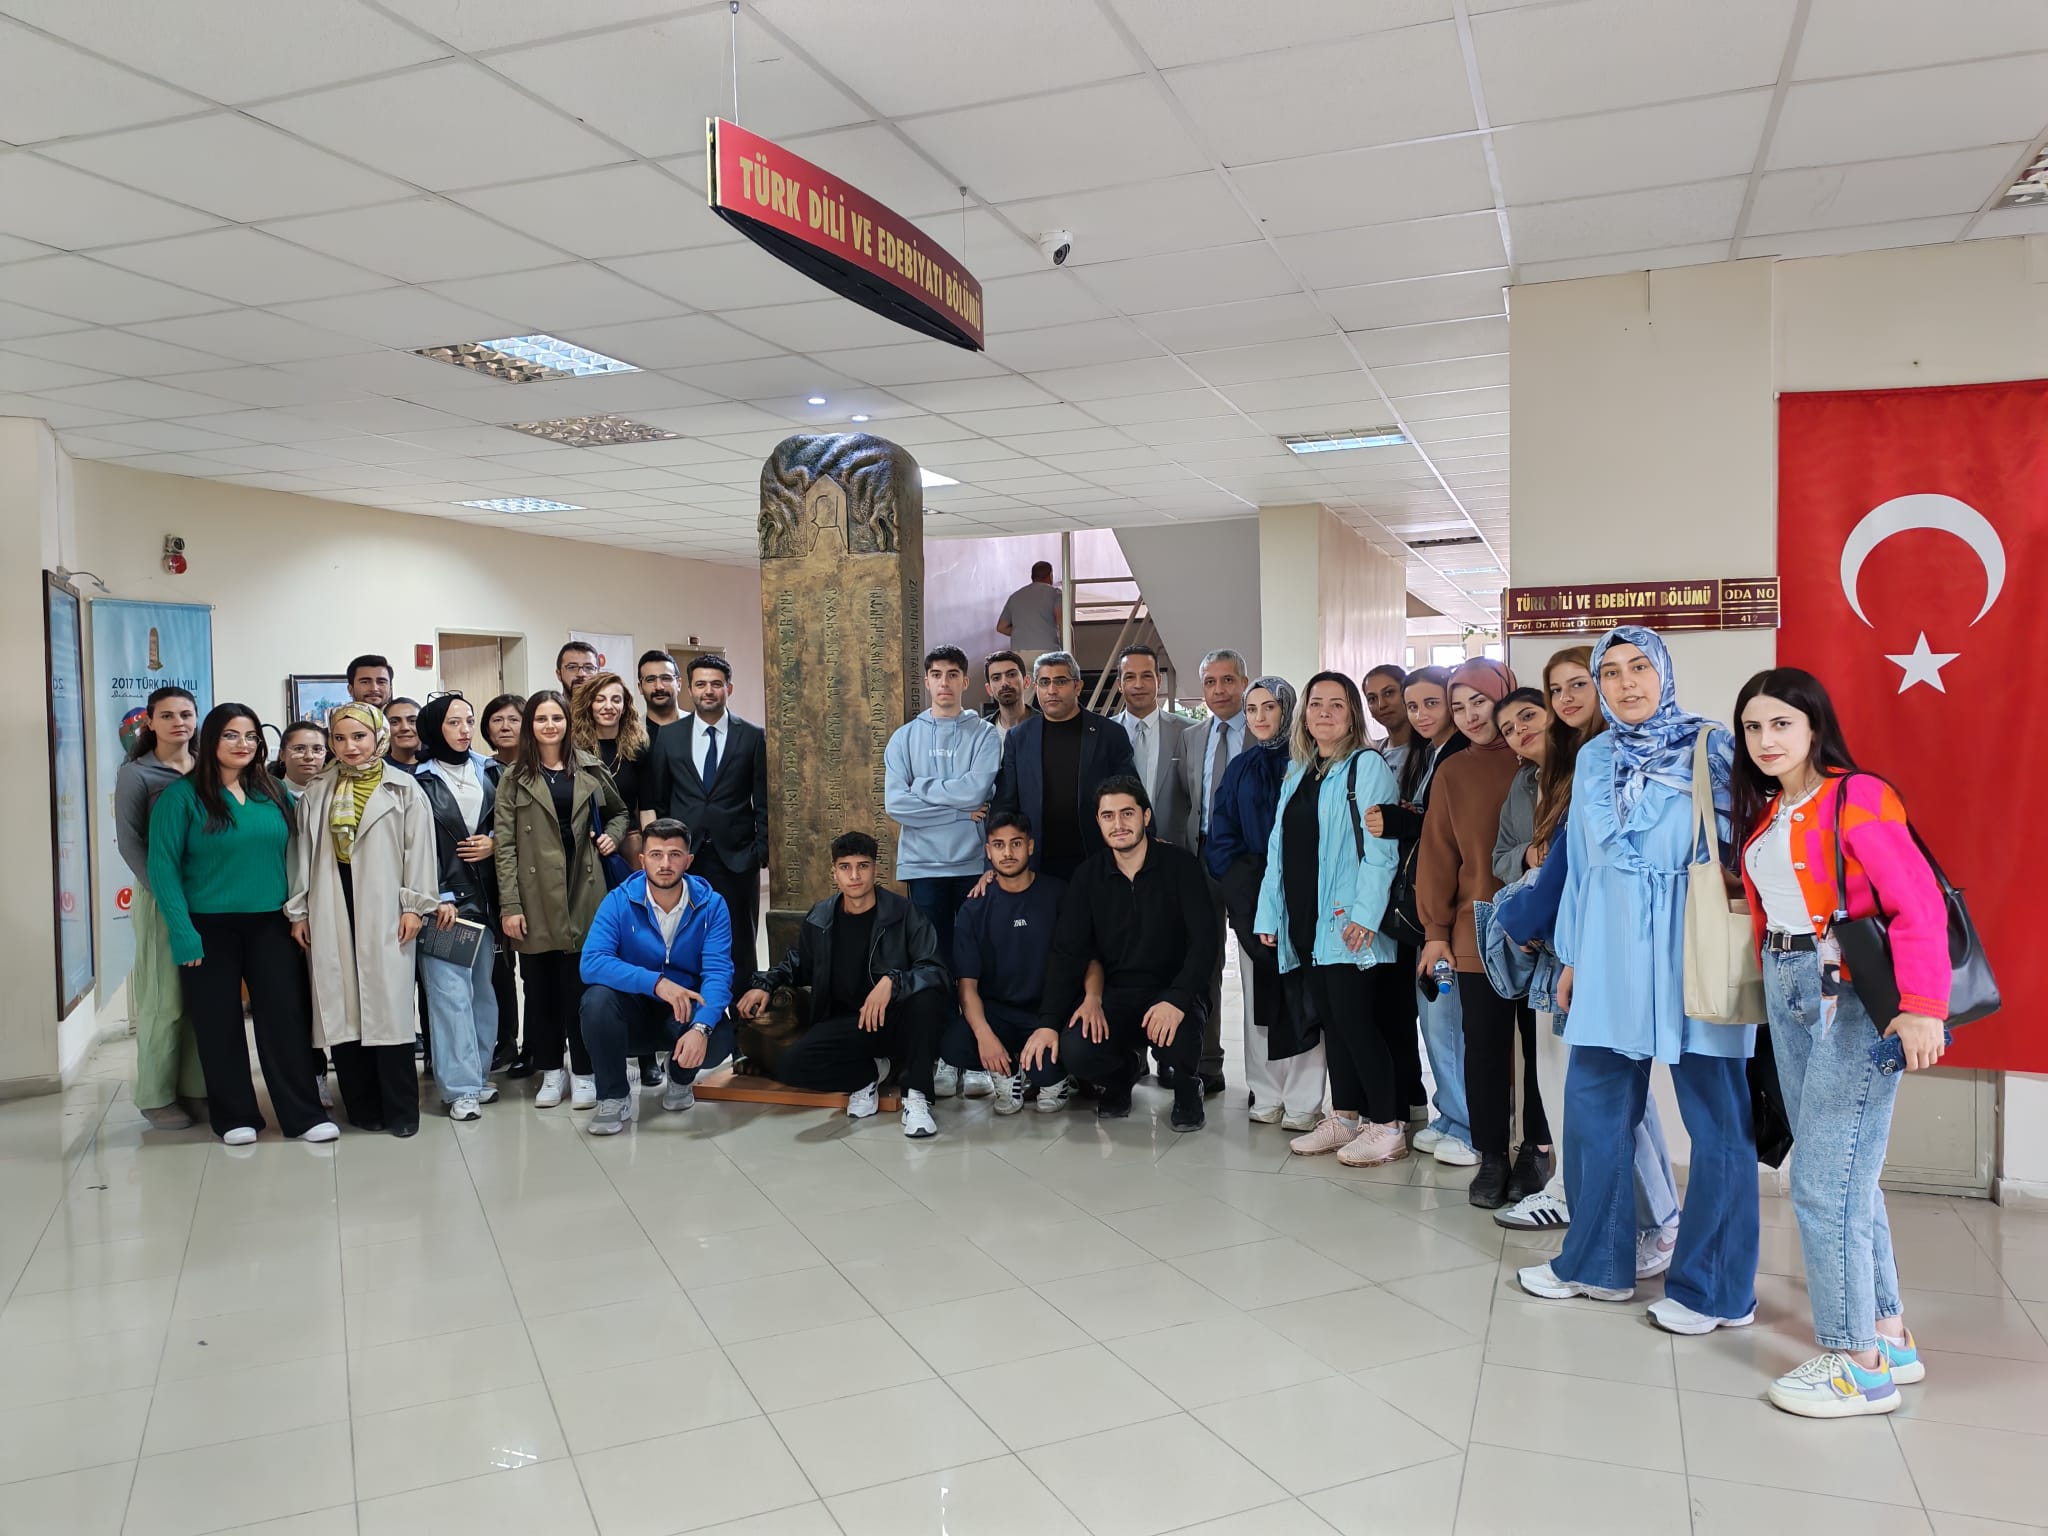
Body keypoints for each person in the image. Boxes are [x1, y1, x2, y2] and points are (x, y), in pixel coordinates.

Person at [1518, 626, 1760, 1339]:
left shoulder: (1713, 747)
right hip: (1610, 951)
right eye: (1612, 672)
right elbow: (1581, 868)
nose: (1627, 684)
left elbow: (1745, 854)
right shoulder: (1593, 757)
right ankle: (1595, 1263)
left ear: (1663, 673)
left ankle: (1716, 1291)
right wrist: (1571, 957)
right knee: (1592, 1108)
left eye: (1639, 668)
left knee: (1717, 1122)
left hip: (1693, 951)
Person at [1734, 668, 1946, 1417]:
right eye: (1753, 727)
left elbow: (1917, 902)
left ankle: (1857, 1365)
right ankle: (1888, 1334)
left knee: (1825, 1183)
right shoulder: (1772, 810)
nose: (1765, 740)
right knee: (1845, 1174)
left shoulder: (1858, 796)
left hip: (1851, 998)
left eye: (1781, 724)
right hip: (1790, 986)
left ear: (1814, 726)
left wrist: (1921, 1006)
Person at [1491, 651, 1682, 1272]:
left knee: (1608, 1098)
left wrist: (1524, 918)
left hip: (1602, 947)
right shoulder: (1571, 761)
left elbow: (1574, 865)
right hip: (1570, 946)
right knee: (1592, 1093)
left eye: (1580, 684)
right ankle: (1619, 1216)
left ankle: (1652, 1223)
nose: (1568, 698)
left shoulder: (1612, 759)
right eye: (1557, 689)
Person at [147, 703, 334, 1146]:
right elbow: (162, 868)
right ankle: (234, 1116)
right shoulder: (180, 797)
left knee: (284, 1020)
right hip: (207, 927)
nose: (243, 744)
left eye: (250, 736)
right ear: (210, 739)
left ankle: (303, 1115)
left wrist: (301, 912)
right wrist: (183, 933)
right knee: (218, 1023)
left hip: (272, 923)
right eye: (231, 735)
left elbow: (303, 848)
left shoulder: (273, 790)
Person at [1256, 673, 1405, 1164]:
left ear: (1352, 714)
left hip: (1348, 924)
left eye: (1336, 704)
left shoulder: (1366, 766)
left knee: (1358, 1023)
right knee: (1332, 1025)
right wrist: (1269, 914)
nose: (1324, 712)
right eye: (1316, 703)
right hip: (1307, 922)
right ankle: (1346, 1117)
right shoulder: (1300, 771)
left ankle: (1387, 1125)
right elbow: (1278, 850)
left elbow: (1382, 851)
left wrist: (1366, 915)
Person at [1419, 659, 1549, 1208]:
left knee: (1542, 1051)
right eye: (1458, 706)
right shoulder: (1452, 771)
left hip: (1546, 931)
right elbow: (1438, 853)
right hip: (1478, 931)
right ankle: (1491, 1152)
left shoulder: (1544, 762)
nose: (1471, 715)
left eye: (1480, 701)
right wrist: (1435, 931)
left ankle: (1536, 1150)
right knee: (1485, 1047)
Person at [1022, 776, 1218, 1131]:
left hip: (1173, 992)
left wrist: (1177, 999)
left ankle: (1188, 1085)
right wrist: (1049, 1022)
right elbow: (1067, 953)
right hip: (1114, 995)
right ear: (1098, 822)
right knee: (1076, 1048)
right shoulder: (1088, 877)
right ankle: (1120, 1076)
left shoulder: (1181, 866)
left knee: (1178, 1039)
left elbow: (1205, 942)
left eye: (1127, 813)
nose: (1118, 824)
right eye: (1108, 816)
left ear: (1146, 816)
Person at [286, 703, 437, 1137]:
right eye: (340, 738)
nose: (350, 746)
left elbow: (419, 851)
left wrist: (414, 906)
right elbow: (300, 854)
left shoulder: (404, 789)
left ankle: (402, 1111)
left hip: (386, 904)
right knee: (343, 1006)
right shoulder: (318, 790)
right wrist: (299, 910)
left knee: (388, 1006)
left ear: (378, 737)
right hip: (331, 900)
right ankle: (362, 1106)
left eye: (359, 737)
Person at [735, 831, 947, 1139]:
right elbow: (800, 964)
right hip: (849, 1023)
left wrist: (893, 981)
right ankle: (872, 1073)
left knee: (925, 999)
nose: (854, 875)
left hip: (898, 1021)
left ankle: (916, 1096)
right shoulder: (821, 917)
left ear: (875, 870)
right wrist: (765, 984)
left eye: (863, 866)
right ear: (834, 873)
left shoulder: (904, 914)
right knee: (791, 1066)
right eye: (845, 867)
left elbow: (935, 969)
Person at [495, 689, 629, 1111]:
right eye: (541, 719)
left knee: (581, 988)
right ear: (530, 726)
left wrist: (612, 837)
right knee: (539, 992)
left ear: (568, 723)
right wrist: (510, 906)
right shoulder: (513, 777)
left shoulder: (589, 767)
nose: (550, 726)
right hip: (534, 896)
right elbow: (504, 847)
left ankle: (584, 1072)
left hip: (584, 890)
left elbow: (620, 812)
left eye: (557, 718)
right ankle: (552, 1071)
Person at [1365, 667, 1471, 1166]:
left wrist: (1400, 819)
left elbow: (1448, 830)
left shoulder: (1460, 754)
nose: (1421, 714)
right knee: (1434, 1018)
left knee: (1449, 1022)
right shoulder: (1433, 752)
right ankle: (1450, 1114)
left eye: (1432, 703)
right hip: (1429, 910)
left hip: (1452, 912)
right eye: (1414, 706)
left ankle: (1469, 1125)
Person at [1208, 676, 1323, 1130]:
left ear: (1288, 710)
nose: (1259, 717)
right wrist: (1244, 888)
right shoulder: (1241, 767)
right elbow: (1221, 832)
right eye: (1251, 709)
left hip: (1306, 897)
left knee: (1303, 997)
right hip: (1251, 899)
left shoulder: (1312, 763)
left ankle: (1304, 1099)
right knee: (1258, 996)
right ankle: (1267, 1090)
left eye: (1269, 707)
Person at [579, 819, 736, 1135]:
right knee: (596, 1001)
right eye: (656, 855)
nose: (665, 864)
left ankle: (680, 1077)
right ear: (642, 860)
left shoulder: (712, 905)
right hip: (632, 1011)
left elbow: (718, 973)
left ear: (688, 860)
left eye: (675, 854)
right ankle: (613, 1096)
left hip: (682, 1011)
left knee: (719, 1035)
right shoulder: (618, 900)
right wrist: (656, 983)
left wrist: (701, 1028)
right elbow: (592, 963)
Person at [640, 654, 768, 985]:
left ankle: (742, 1014)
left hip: (737, 858)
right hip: (685, 857)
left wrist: (760, 851)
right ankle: (694, 1012)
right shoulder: (669, 737)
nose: (708, 691)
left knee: (740, 946)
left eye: (715, 684)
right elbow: (659, 800)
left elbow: (763, 800)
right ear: (689, 689)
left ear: (729, 688)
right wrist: (666, 853)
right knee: (685, 943)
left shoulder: (752, 736)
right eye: (700, 684)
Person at [114, 686, 206, 1129]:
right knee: (163, 1000)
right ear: (149, 722)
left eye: (186, 714)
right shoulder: (137, 774)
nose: (178, 723)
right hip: (160, 899)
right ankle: (155, 1095)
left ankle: (195, 1088)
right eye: (167, 715)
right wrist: (165, 894)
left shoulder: (206, 767)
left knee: (199, 998)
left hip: (207, 895)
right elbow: (130, 842)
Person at [941, 813, 1075, 1114]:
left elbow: (1080, 959)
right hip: (999, 1012)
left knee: (1049, 1071)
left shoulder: (1058, 893)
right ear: (988, 851)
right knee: (954, 1045)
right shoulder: (975, 906)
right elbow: (967, 986)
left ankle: (1054, 1078)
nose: (1008, 853)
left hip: (1048, 1011)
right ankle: (1008, 1072)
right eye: (999, 845)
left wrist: (1051, 1022)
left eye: (1016, 843)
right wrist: (985, 1036)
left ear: (1030, 846)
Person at [413, 695, 505, 1122]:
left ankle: (478, 1075)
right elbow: (415, 846)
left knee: (482, 994)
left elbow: (511, 827)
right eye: (454, 722)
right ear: (435, 728)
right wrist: (437, 895)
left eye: (469, 720)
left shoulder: (492, 771)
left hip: (487, 900)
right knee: (449, 995)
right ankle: (460, 1088)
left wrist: (495, 843)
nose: (465, 729)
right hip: (447, 905)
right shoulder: (419, 781)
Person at [885, 645, 1002, 970]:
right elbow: (896, 803)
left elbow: (975, 792)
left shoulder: (985, 735)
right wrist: (959, 813)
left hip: (971, 863)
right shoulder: (903, 738)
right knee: (931, 957)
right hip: (922, 865)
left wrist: (921, 786)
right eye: (936, 675)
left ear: (965, 681)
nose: (944, 682)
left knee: (974, 953)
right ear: (927, 682)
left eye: (952, 675)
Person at [1174, 647, 1253, 1095]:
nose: (1219, 690)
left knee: (1256, 966)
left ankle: (1266, 1075)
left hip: (1250, 863)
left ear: (1244, 683)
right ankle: (1207, 1063)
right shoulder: (1192, 737)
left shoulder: (1264, 732)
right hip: (1202, 858)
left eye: (1227, 680)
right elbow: (1188, 799)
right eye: (1210, 682)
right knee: (1204, 961)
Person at [988, 651, 1136, 882]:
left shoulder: (1109, 734)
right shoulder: (1019, 738)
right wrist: (994, 861)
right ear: (1035, 687)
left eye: (1060, 681)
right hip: (1038, 863)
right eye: (1044, 682)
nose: (1051, 690)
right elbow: (1006, 803)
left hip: (1097, 857)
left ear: (1078, 686)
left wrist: (1146, 840)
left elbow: (1132, 793)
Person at [479, 691, 528, 1073]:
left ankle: (540, 1042)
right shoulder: (479, 770)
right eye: (497, 720)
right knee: (499, 966)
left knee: (534, 968)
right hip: (491, 881)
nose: (506, 726)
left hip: (534, 877)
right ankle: (505, 1040)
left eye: (514, 719)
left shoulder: (538, 768)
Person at [1111, 644, 1192, 849]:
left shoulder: (1189, 732)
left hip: (1175, 849)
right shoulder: (1104, 734)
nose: (1138, 685)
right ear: (1119, 684)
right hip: (1118, 850)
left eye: (1146, 676)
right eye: (1130, 677)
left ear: (1159, 680)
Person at [995, 559, 1061, 670]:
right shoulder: (1055, 593)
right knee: (1047, 680)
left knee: (1026, 680)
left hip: (1020, 654)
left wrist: (1022, 632)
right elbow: (1061, 622)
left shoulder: (1015, 596)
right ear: (1050, 575)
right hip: (1047, 651)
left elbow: (1001, 627)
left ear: (1032, 576)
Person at [1364, 663, 1413, 765]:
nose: (1381, 705)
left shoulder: (1431, 751)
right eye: (1372, 698)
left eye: (1388, 693)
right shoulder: (1369, 755)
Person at [982, 650, 1033, 742]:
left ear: (1026, 682)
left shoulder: (1045, 725)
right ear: (989, 689)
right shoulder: (980, 731)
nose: (1004, 683)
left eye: (1011, 675)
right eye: (996, 678)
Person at [637, 649, 682, 735]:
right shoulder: (630, 734)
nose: (659, 687)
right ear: (640, 687)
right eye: (650, 680)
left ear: (679, 684)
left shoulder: (697, 726)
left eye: (666, 678)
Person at [275, 721, 329, 791]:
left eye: (317, 749)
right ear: (282, 755)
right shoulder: (269, 795)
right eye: (299, 749)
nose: (309, 756)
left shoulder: (336, 794)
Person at [383, 697, 423, 773]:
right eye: (394, 722)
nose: (405, 727)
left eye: (412, 721)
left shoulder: (440, 767)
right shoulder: (377, 771)